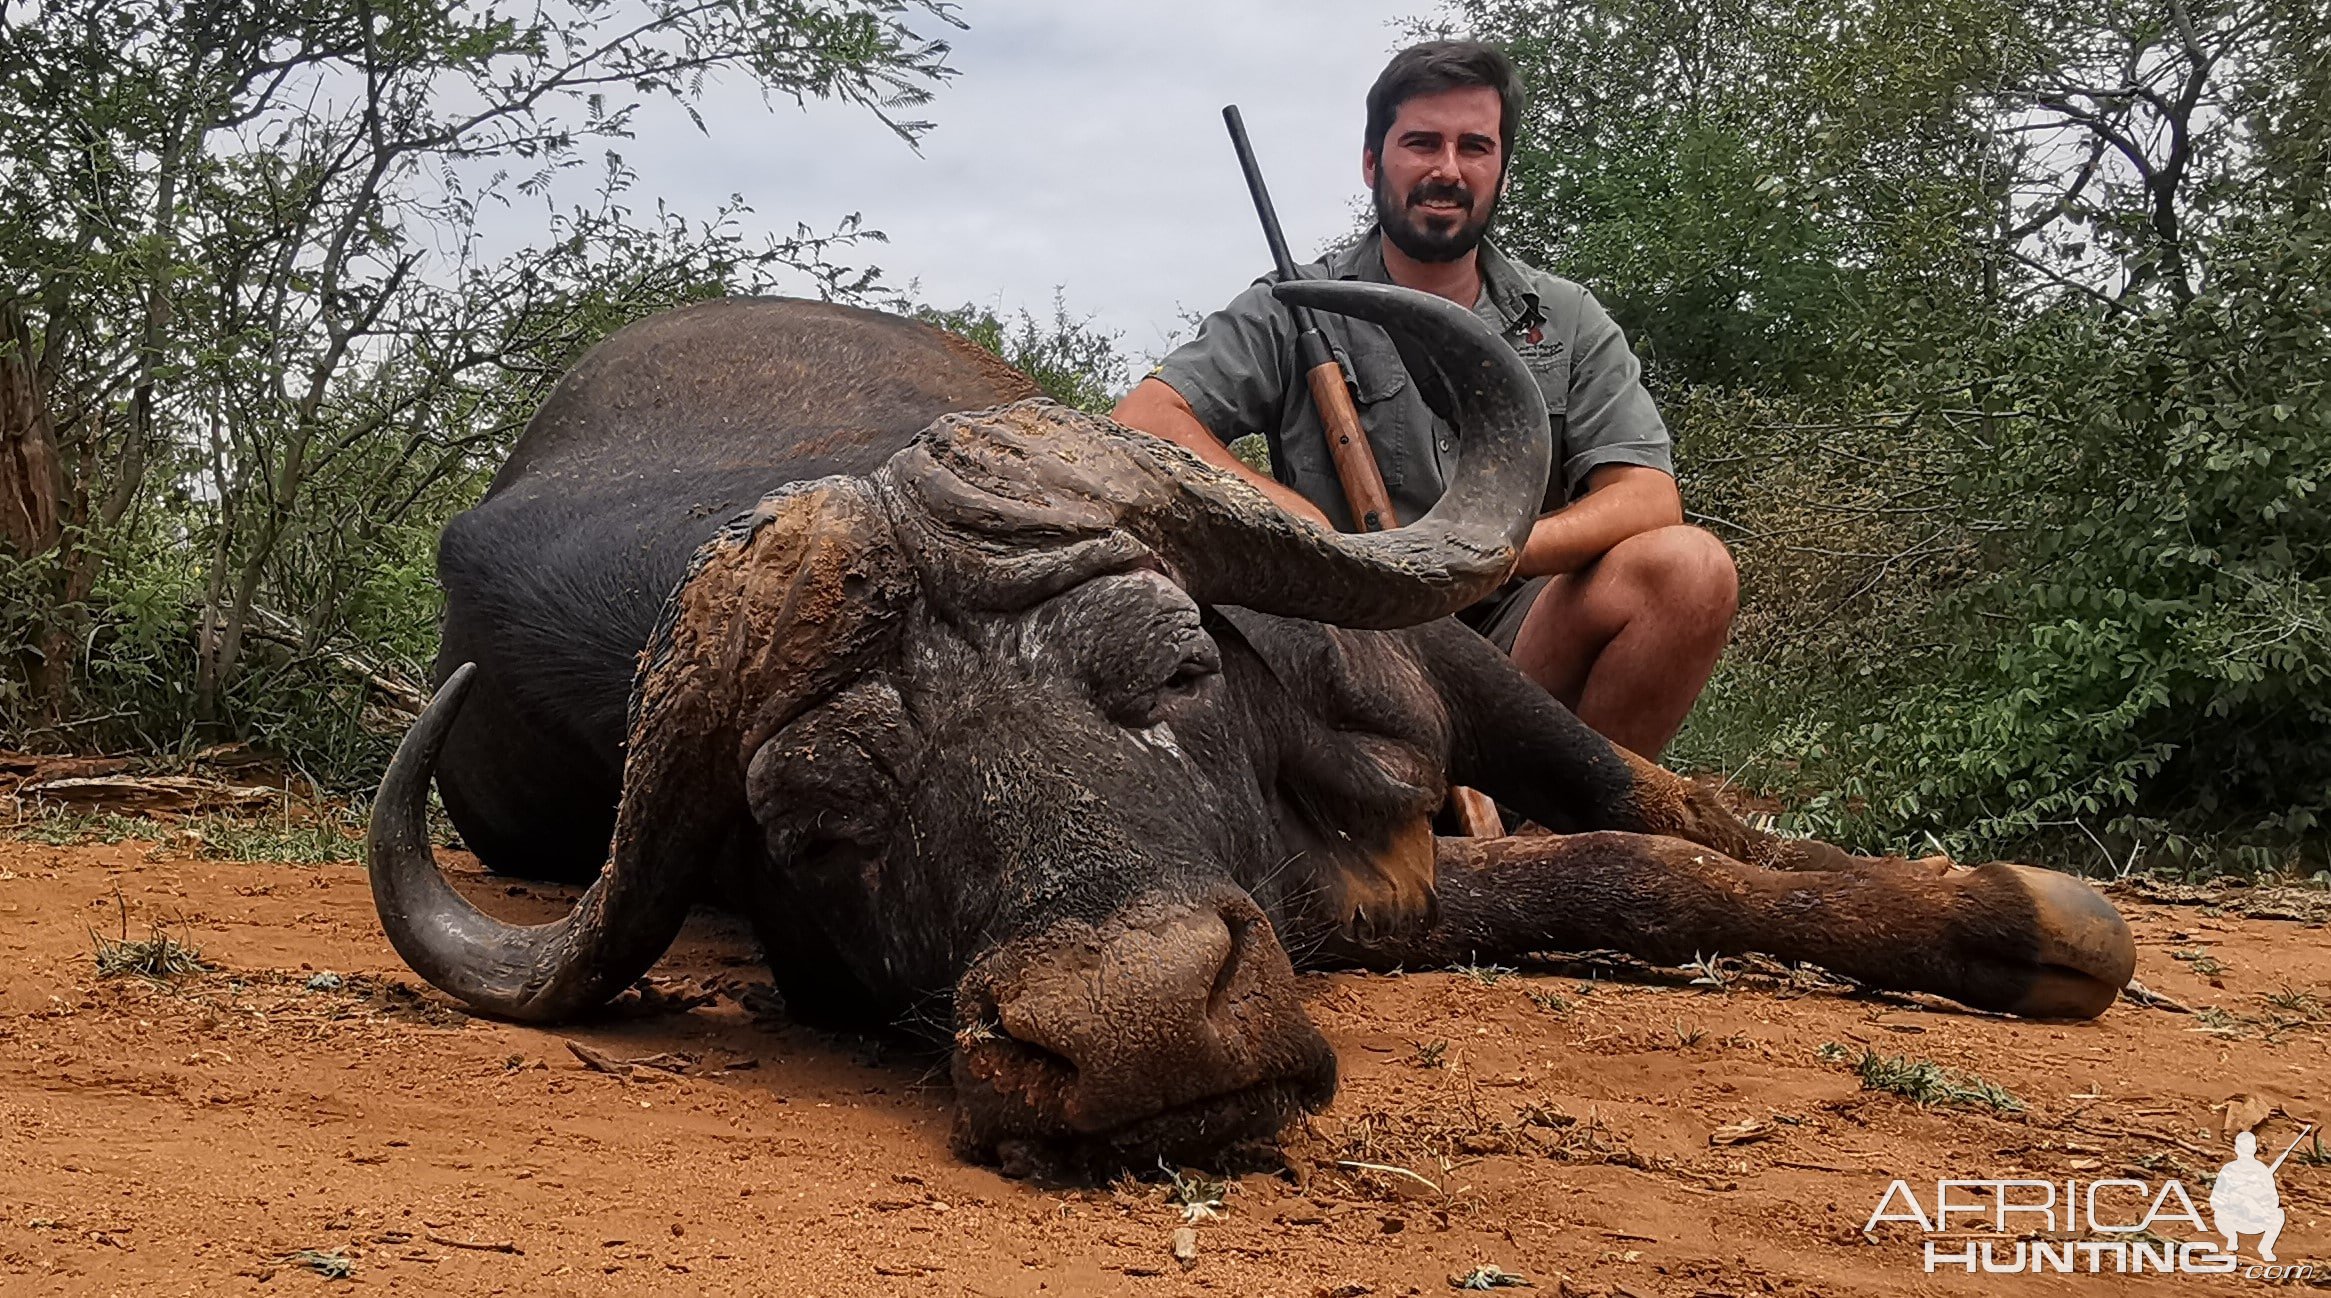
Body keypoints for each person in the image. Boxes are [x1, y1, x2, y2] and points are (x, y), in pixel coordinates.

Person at [1112, 40, 1736, 759]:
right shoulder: (1292, 303)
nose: (1447, 169)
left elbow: (1648, 498)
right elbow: (1147, 417)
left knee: (1690, 570)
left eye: (1474, 146)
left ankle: (1563, 843)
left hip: (1522, 644)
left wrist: (1490, 549)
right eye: (1421, 143)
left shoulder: (1564, 317)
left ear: (1500, 168)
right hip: (1350, 651)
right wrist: (1303, 527)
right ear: (1374, 162)